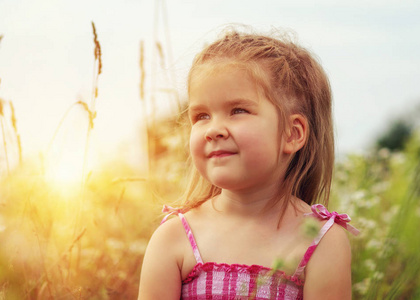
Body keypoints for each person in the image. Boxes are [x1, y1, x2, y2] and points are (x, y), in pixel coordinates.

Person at [138, 28, 359, 300]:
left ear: (292, 133)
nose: (213, 130)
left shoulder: (322, 241)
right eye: (202, 115)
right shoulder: (175, 237)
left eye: (238, 111)